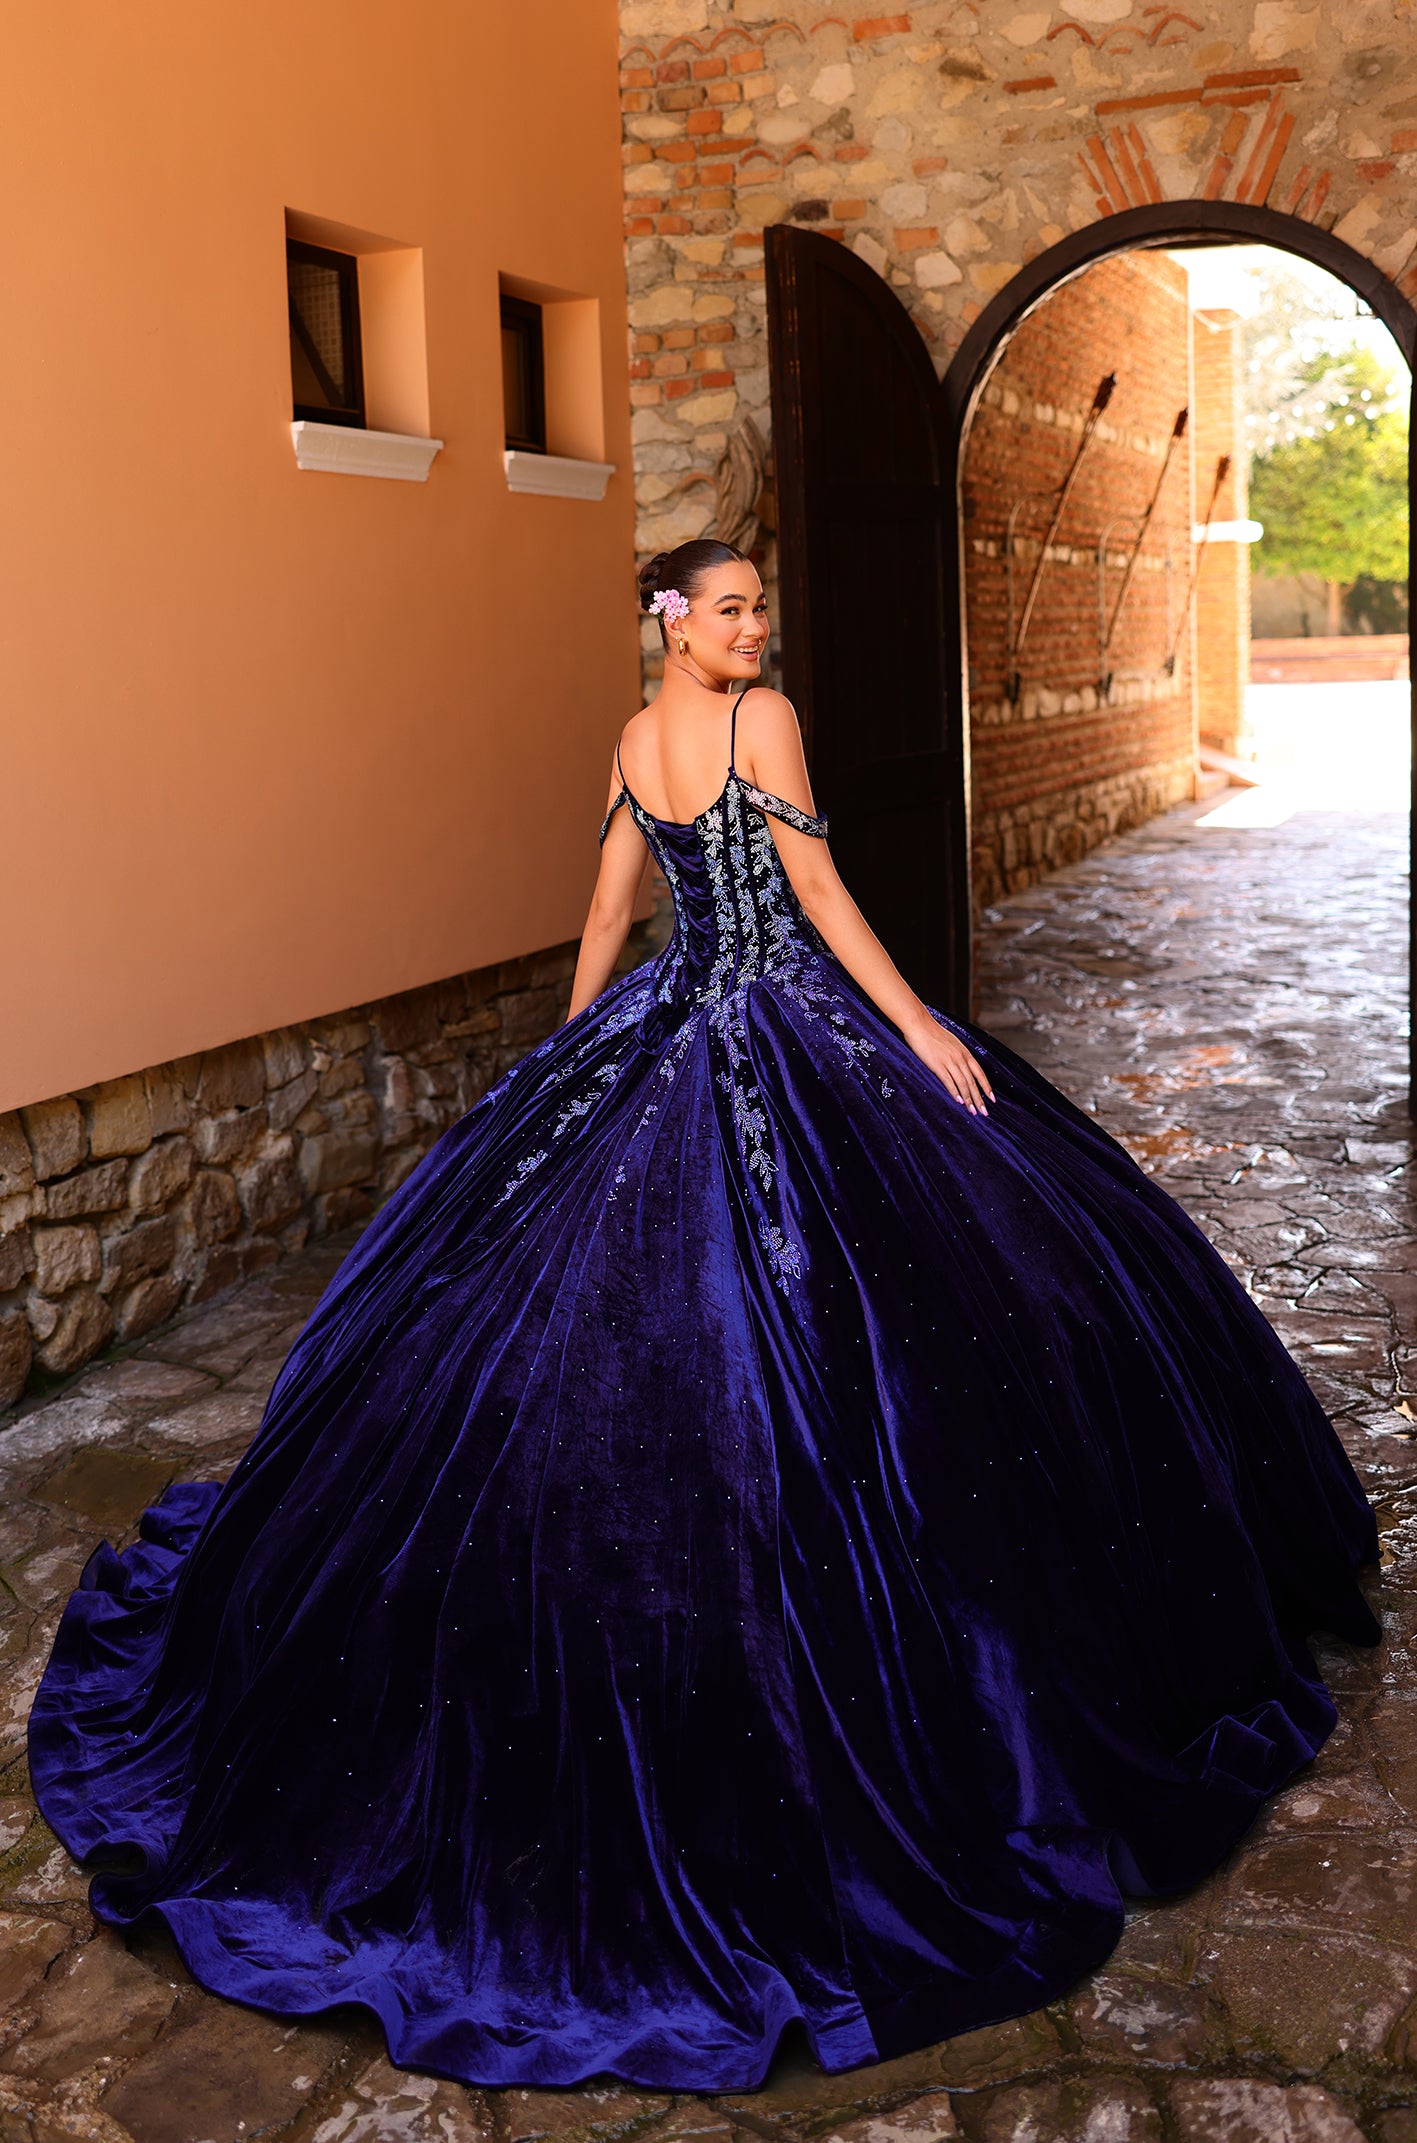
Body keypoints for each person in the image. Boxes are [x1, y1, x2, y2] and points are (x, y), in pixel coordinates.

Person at [28, 538, 1379, 2093]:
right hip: (783, 1023)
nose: (755, 628)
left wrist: (568, 1058)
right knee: (871, 1320)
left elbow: (608, 911)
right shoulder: (764, 722)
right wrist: (916, 1030)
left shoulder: (635, 740)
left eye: (758, 612)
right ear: (671, 622)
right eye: (730, 609)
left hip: (669, 1024)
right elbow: (811, 891)